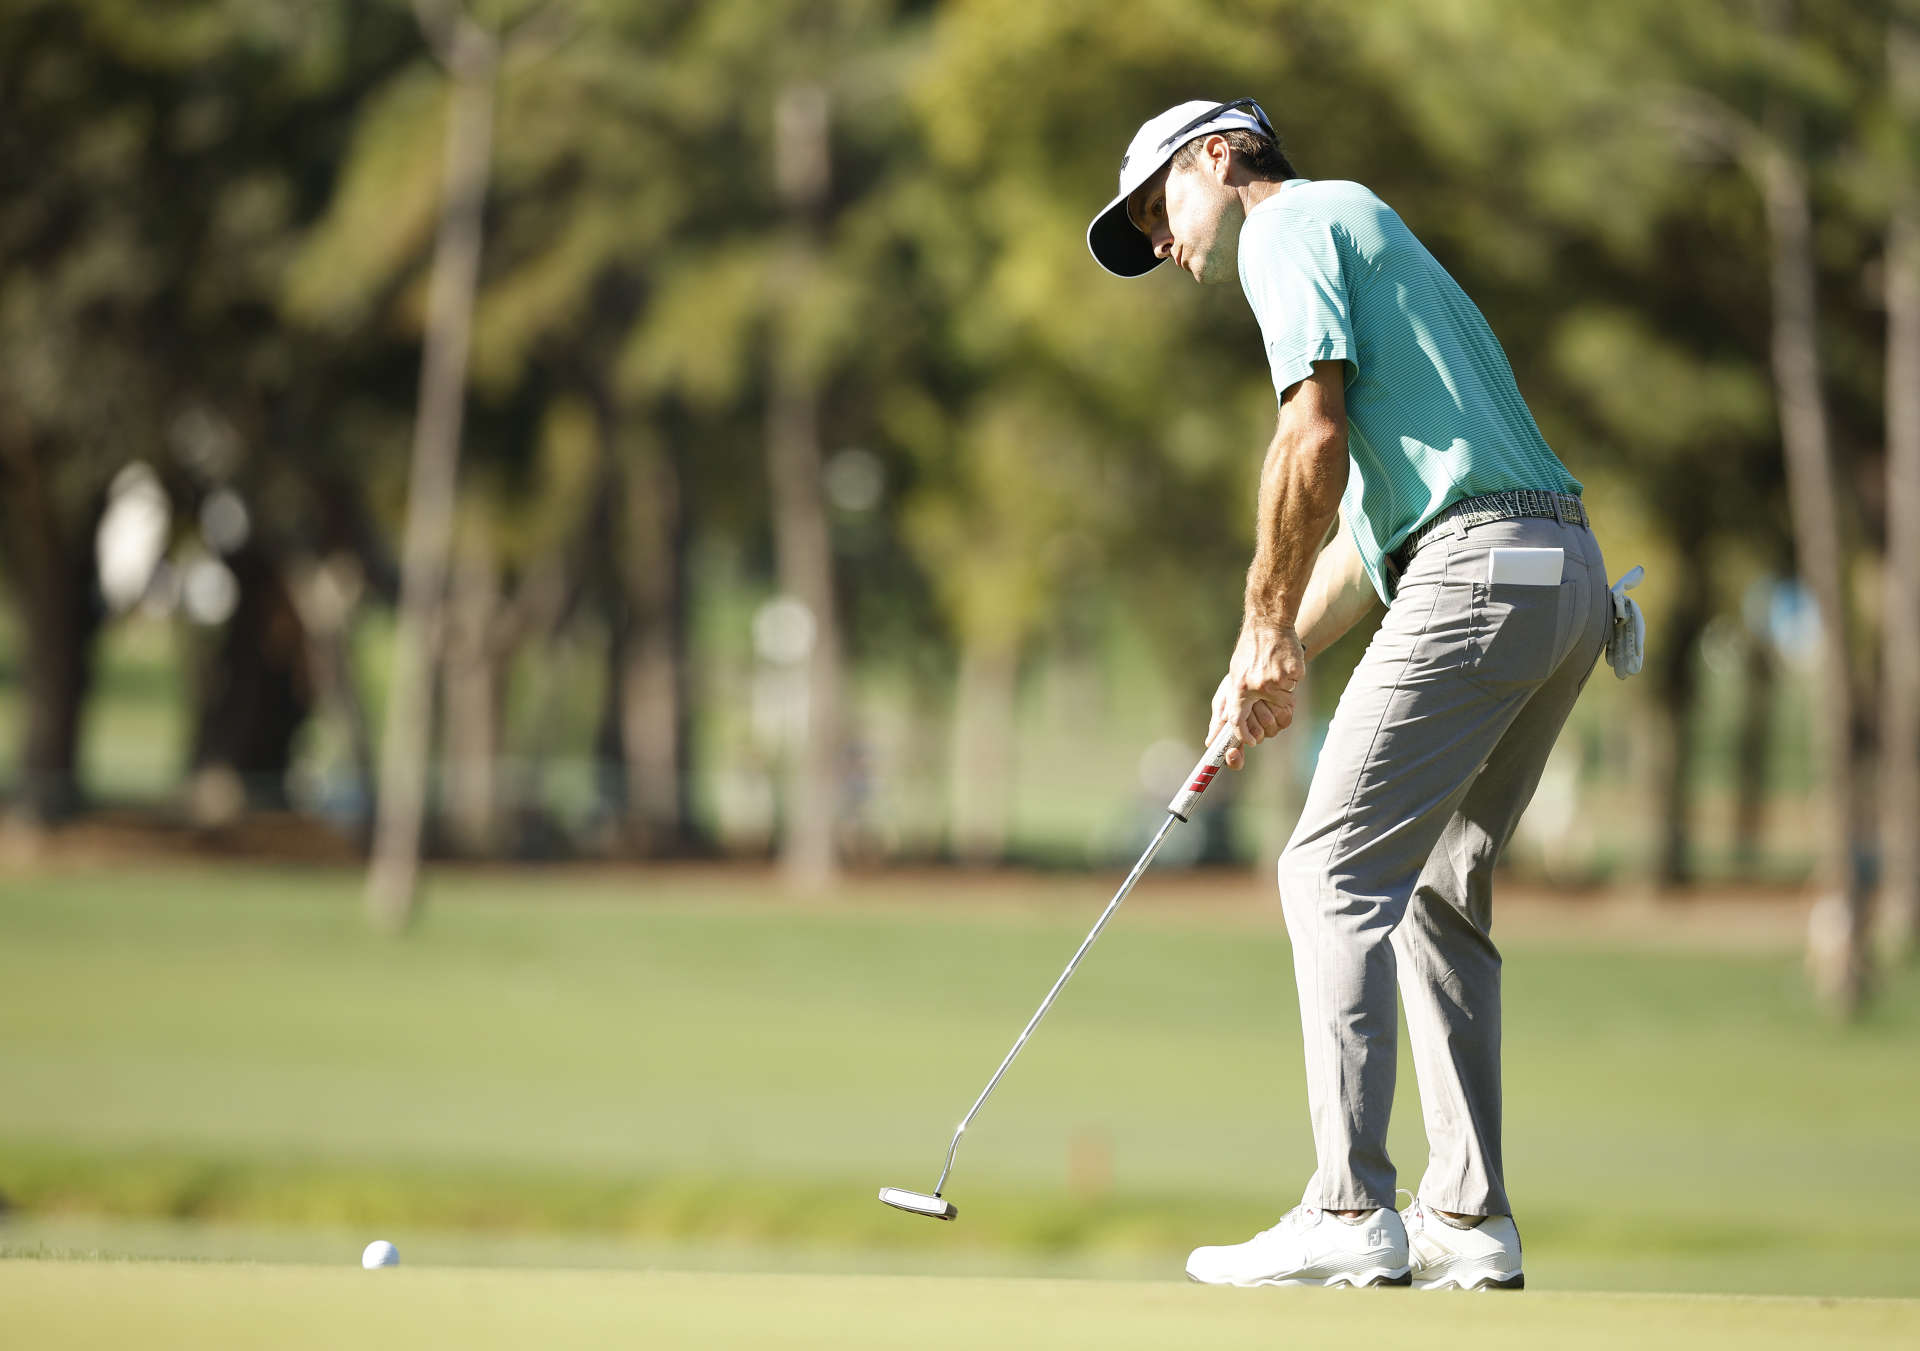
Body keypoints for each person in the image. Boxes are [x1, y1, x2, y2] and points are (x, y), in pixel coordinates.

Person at [1087, 98, 1640, 1290]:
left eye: (1158, 208)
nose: (1165, 244)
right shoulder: (1361, 229)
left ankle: (1348, 1206)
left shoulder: (1284, 226)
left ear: (1216, 158)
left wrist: (1258, 618)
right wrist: (1265, 657)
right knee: (1436, 879)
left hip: (1480, 567)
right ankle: (1470, 1219)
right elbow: (1356, 542)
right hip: (1563, 576)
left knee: (1325, 869)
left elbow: (1311, 442)